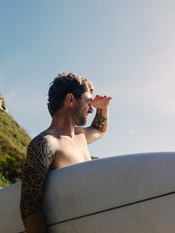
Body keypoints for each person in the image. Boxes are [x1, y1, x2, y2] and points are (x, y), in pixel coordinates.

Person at [20, 72, 112, 233]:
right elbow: (30, 208)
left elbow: (99, 128)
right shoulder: (45, 144)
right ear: (70, 99)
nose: (90, 109)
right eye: (88, 102)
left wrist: (102, 108)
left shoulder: (80, 137)